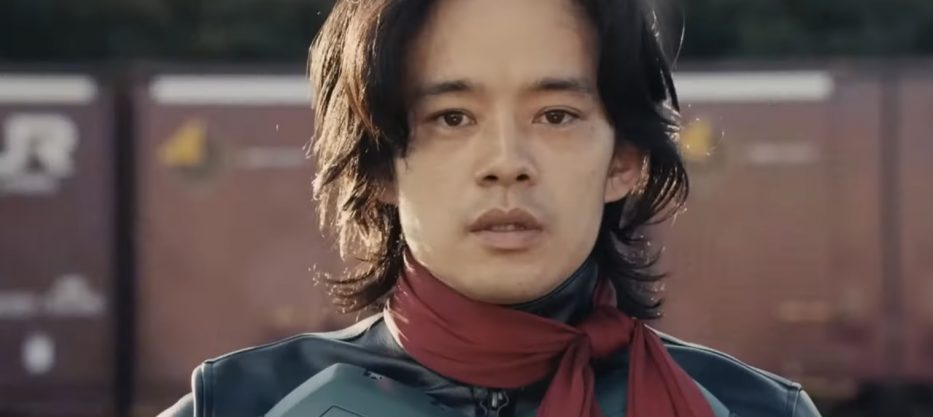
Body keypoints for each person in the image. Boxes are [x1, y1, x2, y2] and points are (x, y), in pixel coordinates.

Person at [160, 0, 822, 416]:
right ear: (380, 164)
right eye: (452, 117)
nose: (506, 161)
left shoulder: (748, 409)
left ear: (624, 160)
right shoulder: (243, 404)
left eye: (556, 115)